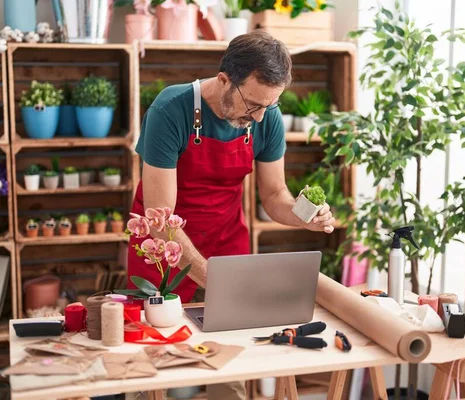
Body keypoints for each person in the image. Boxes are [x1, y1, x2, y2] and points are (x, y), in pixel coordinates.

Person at [128, 31, 335, 400]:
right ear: (224, 79)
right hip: (165, 252)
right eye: (252, 104)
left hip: (226, 243)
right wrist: (206, 272)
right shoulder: (170, 109)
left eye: (267, 107)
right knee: (153, 369)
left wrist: (304, 217)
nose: (257, 117)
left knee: (230, 368)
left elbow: (274, 195)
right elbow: (160, 218)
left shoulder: (266, 115)